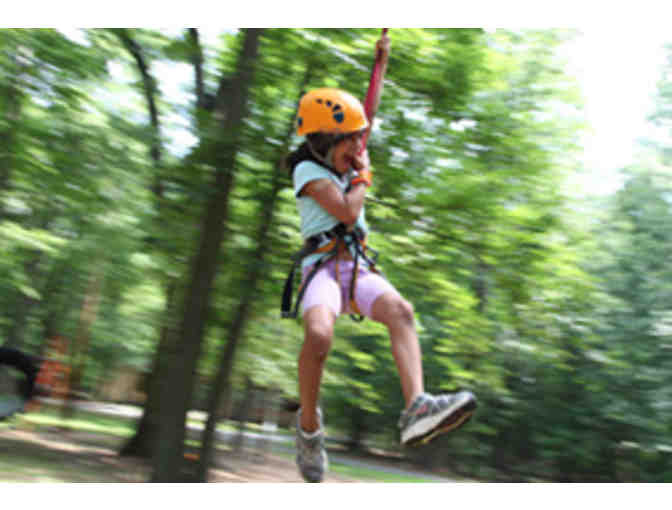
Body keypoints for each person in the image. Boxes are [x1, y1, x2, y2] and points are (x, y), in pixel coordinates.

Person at [285, 35, 476, 483]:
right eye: (350, 142)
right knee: (319, 335)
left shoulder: (345, 155)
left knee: (401, 312)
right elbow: (347, 212)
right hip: (322, 268)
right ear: (323, 141)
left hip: (355, 268)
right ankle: (309, 429)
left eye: (359, 141)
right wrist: (364, 176)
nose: (358, 148)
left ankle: (417, 408)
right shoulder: (308, 170)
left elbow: (369, 109)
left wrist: (381, 64)